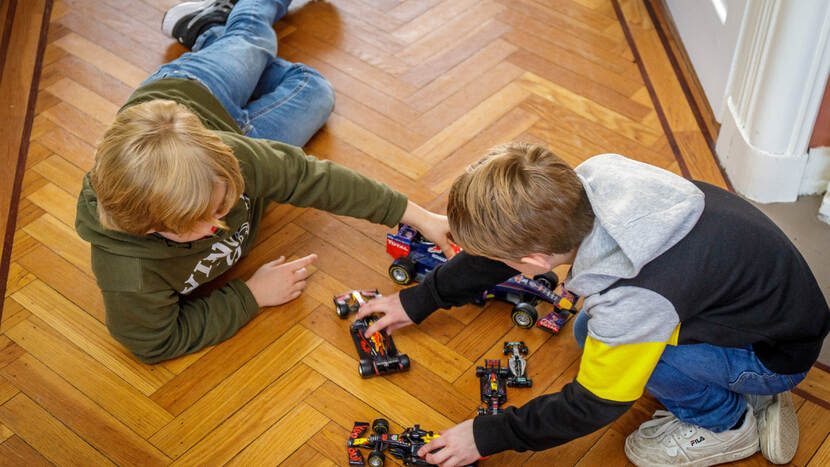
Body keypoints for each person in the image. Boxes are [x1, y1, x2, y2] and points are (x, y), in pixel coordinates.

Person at [356, 142, 830, 467]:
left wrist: (486, 435)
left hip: (774, 352)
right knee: (587, 332)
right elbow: (507, 258)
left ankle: (726, 423)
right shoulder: (595, 177)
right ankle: (744, 386)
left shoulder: (634, 301)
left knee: (627, 359)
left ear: (535, 260)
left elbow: (597, 403)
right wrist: (419, 301)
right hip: (766, 310)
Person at [74, 0, 453, 364]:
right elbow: (156, 342)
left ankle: (216, 36)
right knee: (314, 88)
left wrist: (415, 215)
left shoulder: (224, 161)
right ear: (151, 228)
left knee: (255, 42)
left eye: (226, 201)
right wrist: (251, 295)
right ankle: (211, 33)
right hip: (195, 118)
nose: (219, 223)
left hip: (193, 92)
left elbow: (310, 178)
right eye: (201, 223)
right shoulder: (129, 275)